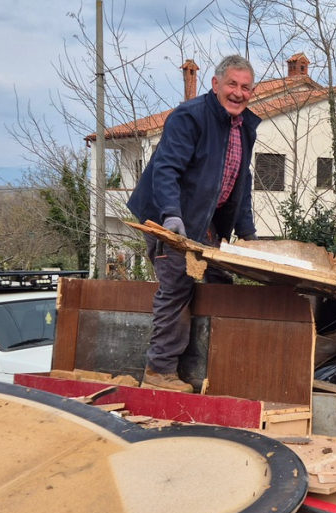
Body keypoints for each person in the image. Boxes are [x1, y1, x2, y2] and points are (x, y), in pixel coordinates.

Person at [126, 54, 261, 392]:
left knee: (220, 282)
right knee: (177, 284)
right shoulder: (190, 117)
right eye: (231, 84)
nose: (238, 93)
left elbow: (240, 182)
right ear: (215, 84)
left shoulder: (244, 126)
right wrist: (171, 214)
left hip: (206, 219)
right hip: (168, 216)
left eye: (245, 87)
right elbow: (166, 168)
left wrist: (247, 234)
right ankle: (159, 372)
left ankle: (213, 368)